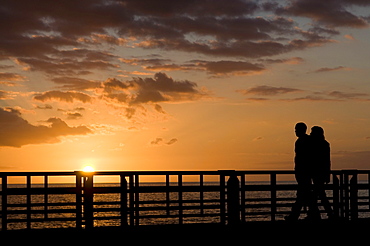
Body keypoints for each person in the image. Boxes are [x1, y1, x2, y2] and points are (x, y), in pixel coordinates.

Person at [285, 122, 319, 221]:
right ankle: (313, 215)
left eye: (296, 129)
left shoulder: (304, 141)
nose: (295, 131)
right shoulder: (302, 140)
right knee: (306, 195)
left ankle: (295, 216)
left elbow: (305, 158)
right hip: (304, 172)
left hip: (304, 172)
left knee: (302, 195)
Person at [310, 126, 334, 219]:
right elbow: (328, 161)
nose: (311, 134)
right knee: (319, 194)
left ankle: (317, 214)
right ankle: (325, 213)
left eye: (312, 132)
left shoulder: (316, 144)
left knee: (318, 194)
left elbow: (326, 161)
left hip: (317, 172)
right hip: (320, 172)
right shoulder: (324, 144)